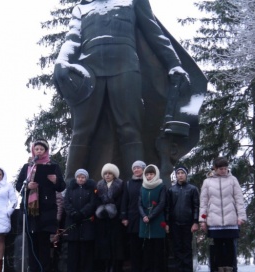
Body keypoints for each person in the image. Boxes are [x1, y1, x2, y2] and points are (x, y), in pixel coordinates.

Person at [54, 0, 189, 181]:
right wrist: (62, 60)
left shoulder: (133, 2)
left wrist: (174, 64)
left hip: (125, 68)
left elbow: (153, 32)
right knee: (81, 132)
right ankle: (70, 188)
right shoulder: (82, 8)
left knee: (130, 130)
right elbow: (72, 40)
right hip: (90, 73)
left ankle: (139, 186)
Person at [16, 139, 66, 272]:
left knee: (44, 243)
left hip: (47, 209)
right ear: (33, 151)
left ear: (45, 151)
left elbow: (61, 186)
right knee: (32, 242)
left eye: (41, 149)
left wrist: (55, 180)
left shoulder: (53, 166)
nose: (38, 151)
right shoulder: (28, 167)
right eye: (36, 149)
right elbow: (18, 185)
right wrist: (28, 185)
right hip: (31, 210)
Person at [199, 157, 246, 272]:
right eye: (221, 169)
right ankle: (220, 269)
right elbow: (203, 202)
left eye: (225, 168)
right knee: (218, 246)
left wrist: (241, 216)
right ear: (215, 168)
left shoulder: (233, 180)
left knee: (230, 245)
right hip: (214, 220)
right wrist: (202, 220)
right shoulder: (207, 182)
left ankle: (229, 269)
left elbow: (239, 199)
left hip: (230, 219)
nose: (223, 171)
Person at [63, 169, 97, 272]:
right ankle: (72, 271)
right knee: (73, 248)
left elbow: (92, 203)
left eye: (83, 177)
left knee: (86, 248)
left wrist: (82, 213)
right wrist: (73, 213)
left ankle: (86, 271)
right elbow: (66, 203)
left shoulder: (91, 189)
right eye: (79, 177)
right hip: (73, 221)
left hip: (86, 221)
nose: (81, 179)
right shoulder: (70, 189)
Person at [166, 166, 199, 272]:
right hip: (175, 223)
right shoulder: (171, 190)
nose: (180, 175)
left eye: (182, 173)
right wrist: (167, 223)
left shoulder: (192, 189)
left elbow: (196, 206)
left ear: (186, 175)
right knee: (177, 247)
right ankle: (179, 270)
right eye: (178, 173)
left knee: (187, 246)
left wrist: (195, 221)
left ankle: (188, 270)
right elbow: (168, 208)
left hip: (188, 222)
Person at [95, 163, 125, 272]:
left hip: (115, 218)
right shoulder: (99, 185)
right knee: (104, 244)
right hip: (103, 218)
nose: (107, 175)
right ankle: (106, 267)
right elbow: (97, 200)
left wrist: (113, 209)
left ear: (114, 175)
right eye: (106, 173)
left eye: (110, 173)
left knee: (115, 243)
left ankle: (115, 267)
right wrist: (102, 210)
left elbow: (121, 200)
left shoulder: (120, 185)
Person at [138, 164, 167, 272]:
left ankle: (156, 271)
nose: (149, 177)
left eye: (151, 174)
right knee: (147, 248)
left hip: (157, 219)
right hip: (144, 219)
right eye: (147, 174)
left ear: (156, 175)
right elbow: (139, 203)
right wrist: (144, 215)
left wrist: (151, 216)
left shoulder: (161, 186)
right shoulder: (142, 187)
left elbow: (162, 203)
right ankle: (147, 270)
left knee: (157, 247)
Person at [120, 160, 146, 272]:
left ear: (144, 169)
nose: (136, 170)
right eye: (134, 168)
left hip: (146, 217)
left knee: (146, 246)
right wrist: (124, 216)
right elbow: (124, 200)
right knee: (134, 246)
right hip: (132, 217)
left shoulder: (148, 181)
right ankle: (135, 271)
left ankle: (146, 270)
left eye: (138, 168)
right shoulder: (128, 183)